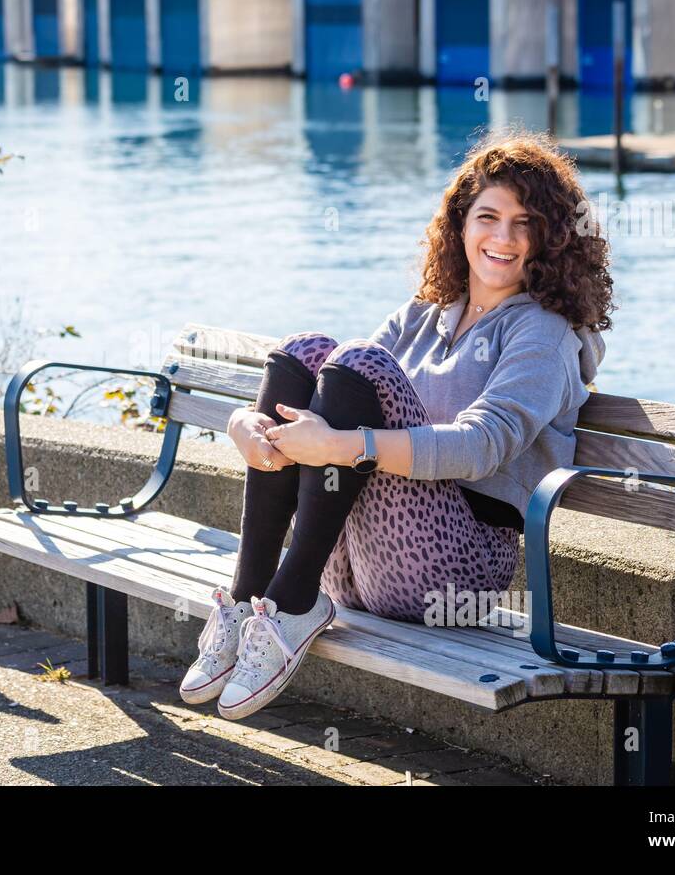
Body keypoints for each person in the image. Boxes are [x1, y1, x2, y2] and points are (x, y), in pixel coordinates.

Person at [179, 131, 614, 721]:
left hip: (454, 572)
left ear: (553, 237)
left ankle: (290, 601)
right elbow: (335, 382)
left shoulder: (543, 332)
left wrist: (341, 446)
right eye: (488, 217)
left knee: (358, 363)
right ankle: (250, 599)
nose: (503, 238)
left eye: (525, 222)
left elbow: (484, 444)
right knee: (307, 350)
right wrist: (243, 423)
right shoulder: (427, 314)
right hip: (357, 562)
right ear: (461, 226)